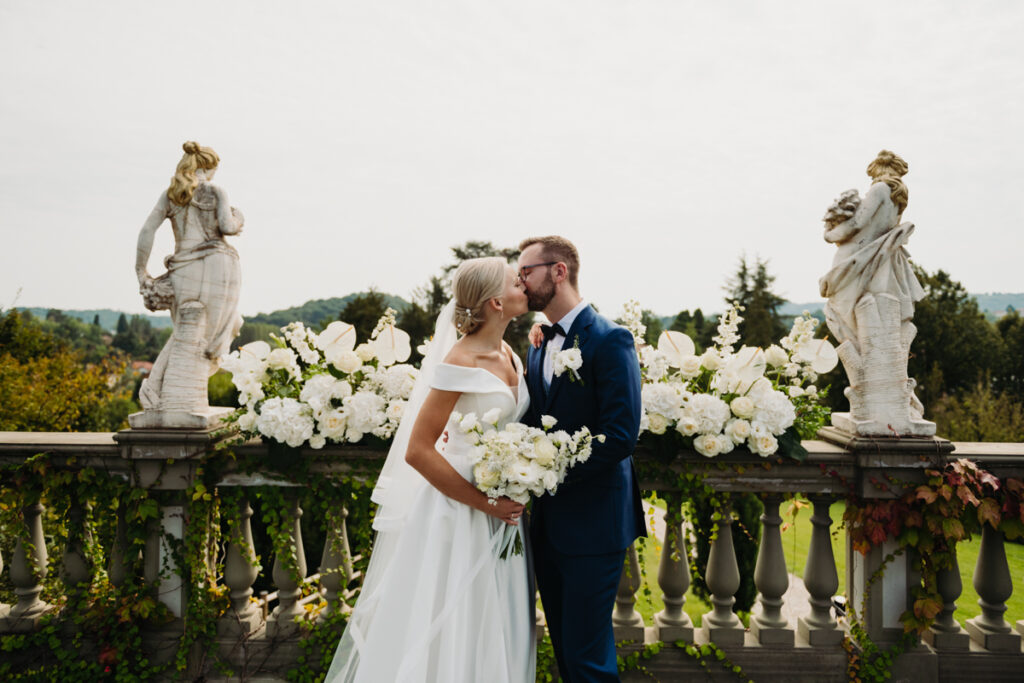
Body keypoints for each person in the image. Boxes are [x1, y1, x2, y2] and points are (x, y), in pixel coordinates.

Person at [326, 257, 536, 683]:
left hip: (504, 513)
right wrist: (484, 502)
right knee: (453, 623)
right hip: (458, 514)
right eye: (517, 281)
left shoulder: (510, 352)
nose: (525, 284)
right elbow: (419, 450)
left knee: (498, 623)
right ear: (496, 302)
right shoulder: (460, 360)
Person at [517, 236, 646, 682]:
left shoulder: (611, 340)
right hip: (548, 526)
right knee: (567, 653)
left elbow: (621, 435)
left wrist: (544, 475)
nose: (520, 282)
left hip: (594, 523)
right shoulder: (537, 343)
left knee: (589, 659)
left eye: (526, 272)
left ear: (559, 271)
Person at [134, 141, 244, 410]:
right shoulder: (215, 190)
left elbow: (147, 231)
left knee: (187, 328)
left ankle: (153, 384)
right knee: (213, 329)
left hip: (184, 266)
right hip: (217, 262)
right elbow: (227, 227)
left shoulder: (172, 193)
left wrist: (141, 271)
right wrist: (239, 218)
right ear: (209, 166)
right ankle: (160, 387)